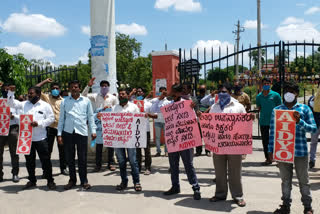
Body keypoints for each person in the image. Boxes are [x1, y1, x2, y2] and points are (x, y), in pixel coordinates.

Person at [268, 82, 316, 214]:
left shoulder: (304, 109)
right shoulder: (277, 110)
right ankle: (285, 206)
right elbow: (273, 132)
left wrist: (300, 121)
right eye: (287, 91)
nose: (289, 94)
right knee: (285, 180)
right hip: (283, 151)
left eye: (292, 91)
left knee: (304, 180)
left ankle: (307, 207)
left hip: (300, 151)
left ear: (297, 94)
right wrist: (270, 149)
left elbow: (313, 129)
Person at [7, 86, 56, 190]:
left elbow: (51, 118)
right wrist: (11, 92)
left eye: (31, 93)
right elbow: (11, 103)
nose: (28, 95)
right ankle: (32, 180)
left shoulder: (45, 105)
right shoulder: (24, 104)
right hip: (27, 139)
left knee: (45, 161)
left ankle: (50, 181)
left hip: (41, 138)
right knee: (29, 161)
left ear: (38, 94)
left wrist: (39, 123)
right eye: (28, 93)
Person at [208, 83, 247, 207]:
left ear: (230, 93)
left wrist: (244, 148)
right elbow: (209, 124)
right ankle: (220, 194)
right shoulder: (214, 107)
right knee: (219, 171)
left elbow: (245, 126)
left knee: (235, 172)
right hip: (218, 144)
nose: (221, 94)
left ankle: (238, 196)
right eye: (219, 92)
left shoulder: (239, 107)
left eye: (224, 92)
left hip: (235, 145)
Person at [163, 83, 201, 200]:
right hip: (173, 139)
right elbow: (155, 109)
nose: (172, 94)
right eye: (171, 92)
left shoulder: (188, 104)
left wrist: (194, 110)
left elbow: (194, 120)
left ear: (179, 93)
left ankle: (195, 187)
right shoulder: (168, 104)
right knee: (173, 165)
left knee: (188, 164)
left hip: (185, 140)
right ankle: (175, 186)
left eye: (174, 92)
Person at [57, 80, 97, 190]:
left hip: (81, 132)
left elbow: (90, 117)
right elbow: (61, 119)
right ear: (69, 89)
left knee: (82, 158)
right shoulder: (64, 102)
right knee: (70, 158)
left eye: (76, 87)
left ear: (79, 89)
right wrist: (59, 134)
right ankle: (72, 180)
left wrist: (93, 131)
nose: (74, 89)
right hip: (68, 132)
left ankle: (84, 181)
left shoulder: (86, 101)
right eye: (72, 87)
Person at [102, 88, 142, 191]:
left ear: (128, 96)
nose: (121, 96)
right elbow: (110, 121)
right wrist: (101, 117)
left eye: (123, 94)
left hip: (131, 139)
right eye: (120, 94)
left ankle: (136, 182)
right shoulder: (114, 108)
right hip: (118, 139)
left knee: (133, 161)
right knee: (121, 161)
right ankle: (124, 182)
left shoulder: (134, 107)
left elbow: (139, 121)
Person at [82, 77, 117, 172]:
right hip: (98, 123)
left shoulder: (113, 97)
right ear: (100, 87)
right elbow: (83, 95)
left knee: (110, 144)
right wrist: (88, 86)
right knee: (99, 144)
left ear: (109, 87)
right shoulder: (95, 96)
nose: (104, 87)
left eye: (106, 86)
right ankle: (98, 165)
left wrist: (110, 108)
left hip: (110, 123)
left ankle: (110, 163)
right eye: (102, 86)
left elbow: (117, 108)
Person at [36, 78, 68, 175]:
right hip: (49, 128)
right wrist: (45, 81)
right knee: (47, 151)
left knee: (62, 150)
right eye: (53, 88)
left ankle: (63, 168)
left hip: (60, 128)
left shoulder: (63, 100)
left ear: (59, 90)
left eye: (57, 88)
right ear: (50, 89)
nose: (55, 89)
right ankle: (46, 171)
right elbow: (36, 88)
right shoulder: (46, 98)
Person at [256, 78, 282, 165]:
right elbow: (259, 108)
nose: (266, 85)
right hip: (263, 121)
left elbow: (280, 107)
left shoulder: (276, 95)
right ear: (262, 85)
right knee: (265, 140)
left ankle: (276, 157)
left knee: (275, 140)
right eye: (264, 83)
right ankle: (268, 158)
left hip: (275, 121)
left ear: (270, 84)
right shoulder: (259, 96)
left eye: (268, 83)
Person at [0, 83, 20, 183]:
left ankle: (15, 173)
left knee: (14, 152)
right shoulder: (0, 101)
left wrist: (13, 116)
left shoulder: (15, 102)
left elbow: (21, 116)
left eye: (7, 90)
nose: (5, 92)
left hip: (13, 128)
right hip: (0, 128)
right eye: (4, 90)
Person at [135, 88, 152, 175]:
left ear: (143, 93)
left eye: (141, 91)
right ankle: (138, 167)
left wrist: (148, 114)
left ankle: (148, 167)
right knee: (137, 149)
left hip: (145, 129)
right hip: (136, 129)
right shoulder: (132, 104)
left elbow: (155, 115)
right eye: (138, 92)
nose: (139, 93)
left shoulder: (148, 104)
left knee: (147, 149)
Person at [150, 87, 170, 156]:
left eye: (164, 92)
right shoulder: (155, 100)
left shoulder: (168, 101)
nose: (162, 93)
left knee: (166, 137)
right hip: (157, 121)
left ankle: (166, 151)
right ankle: (158, 151)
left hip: (165, 122)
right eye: (161, 92)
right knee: (157, 137)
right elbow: (149, 106)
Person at [196, 84, 211, 156]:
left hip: (206, 118)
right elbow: (195, 106)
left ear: (205, 90)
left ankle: (208, 151)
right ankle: (198, 151)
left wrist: (205, 112)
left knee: (207, 135)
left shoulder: (208, 98)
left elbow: (211, 106)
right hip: (198, 118)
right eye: (200, 90)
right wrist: (198, 111)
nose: (202, 91)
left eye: (203, 90)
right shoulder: (196, 98)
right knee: (198, 135)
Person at [308, 89, 320, 169]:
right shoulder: (312, 98)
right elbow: (309, 111)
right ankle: (312, 160)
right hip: (315, 124)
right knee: (313, 142)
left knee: (313, 143)